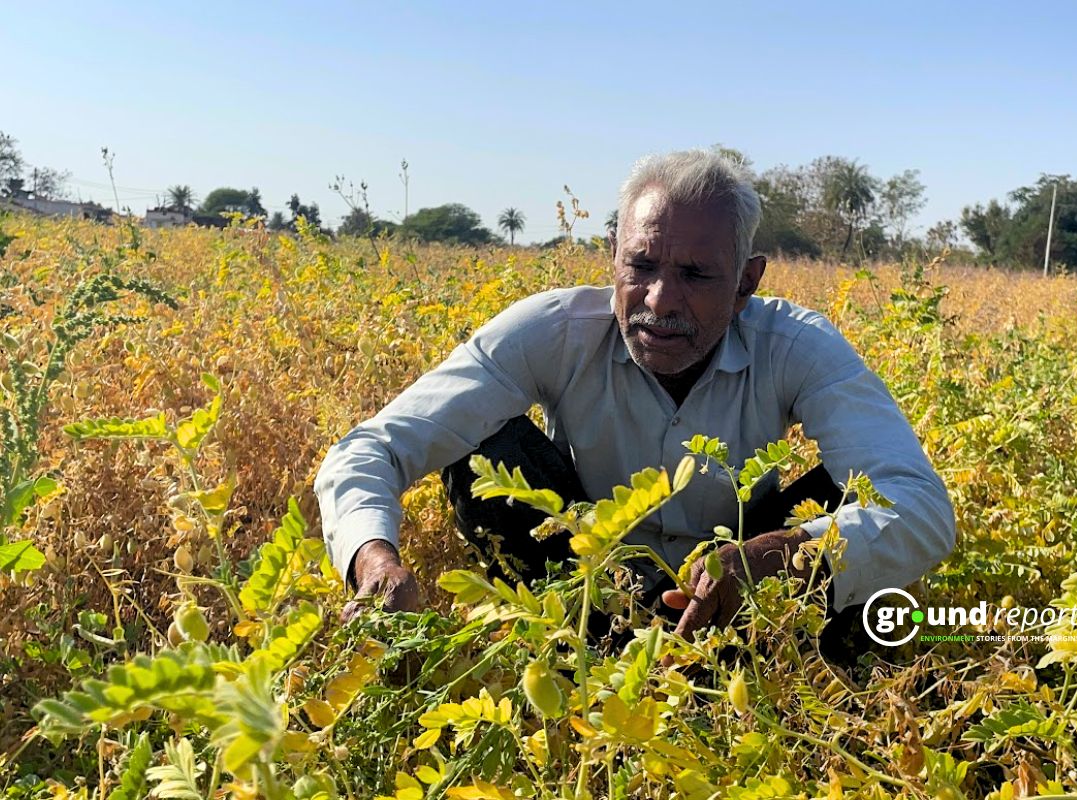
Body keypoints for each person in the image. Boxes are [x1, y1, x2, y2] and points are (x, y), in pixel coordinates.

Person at [315, 148, 955, 643]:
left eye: (696, 275)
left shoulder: (798, 346)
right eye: (641, 267)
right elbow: (372, 449)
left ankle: (770, 656)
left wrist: (781, 555)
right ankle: (588, 649)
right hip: (583, 579)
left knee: (851, 501)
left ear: (746, 283)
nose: (659, 301)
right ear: (611, 258)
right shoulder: (552, 332)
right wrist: (374, 564)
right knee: (481, 442)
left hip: (743, 594)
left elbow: (921, 509)